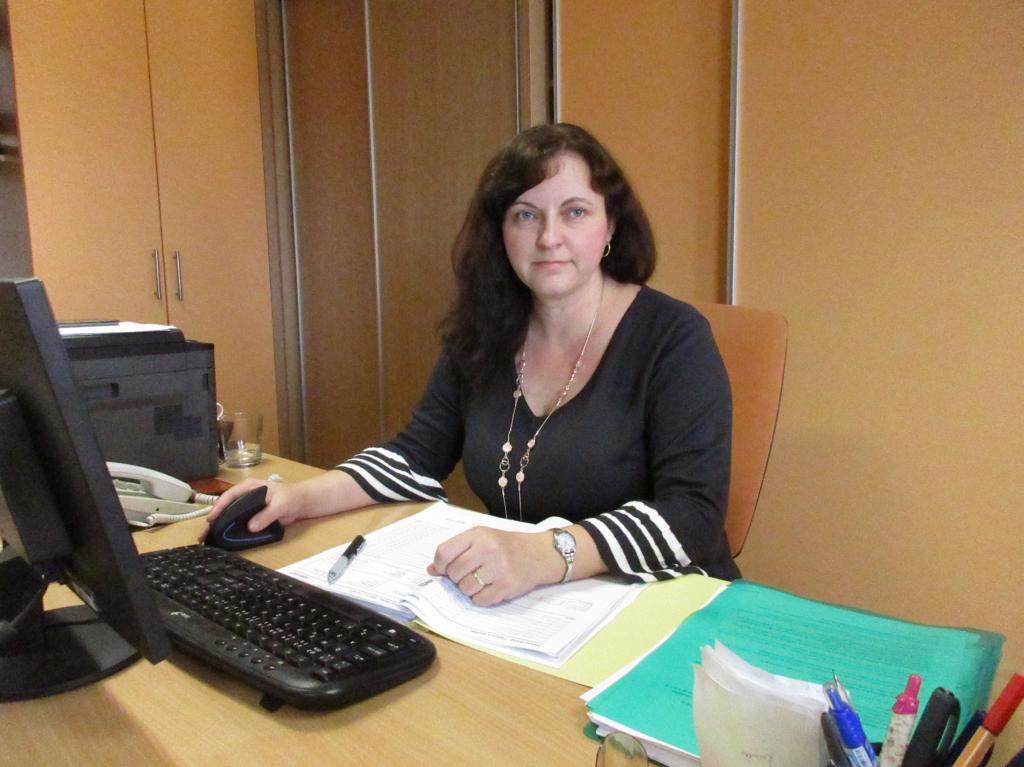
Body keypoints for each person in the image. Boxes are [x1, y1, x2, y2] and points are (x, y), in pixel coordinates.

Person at [204, 123, 738, 606]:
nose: (549, 237)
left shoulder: (674, 337)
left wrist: (546, 554)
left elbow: (692, 513)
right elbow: (415, 457)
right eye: (526, 214)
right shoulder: (486, 331)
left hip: (664, 604)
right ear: (501, 232)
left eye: (575, 212)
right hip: (534, 606)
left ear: (611, 226)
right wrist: (299, 499)